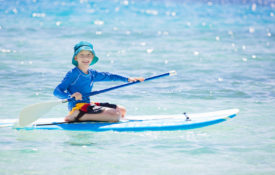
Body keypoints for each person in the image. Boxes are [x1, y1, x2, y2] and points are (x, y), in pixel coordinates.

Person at [53, 41, 144, 122]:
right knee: (115, 115)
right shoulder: (73, 73)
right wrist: (70, 96)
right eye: (82, 55)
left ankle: (86, 115)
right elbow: (57, 91)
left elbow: (109, 76)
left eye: (88, 55)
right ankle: (77, 115)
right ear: (76, 58)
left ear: (92, 57)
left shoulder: (92, 73)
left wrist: (127, 79)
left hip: (87, 104)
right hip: (77, 107)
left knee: (122, 110)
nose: (85, 58)